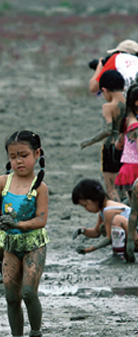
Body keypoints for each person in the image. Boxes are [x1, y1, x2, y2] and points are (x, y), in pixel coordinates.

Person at [0, 130, 49, 337]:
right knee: (11, 296)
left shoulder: (40, 187)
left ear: (37, 153)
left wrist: (18, 223)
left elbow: (41, 220)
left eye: (24, 155)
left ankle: (36, 334)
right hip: (10, 244)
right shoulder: (2, 182)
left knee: (29, 292)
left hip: (33, 245)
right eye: (13, 157)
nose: (18, 161)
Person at [81, 70, 126, 202]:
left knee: (111, 188)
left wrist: (89, 141)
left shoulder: (109, 107)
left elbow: (107, 130)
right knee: (125, 186)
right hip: (126, 147)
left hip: (110, 147)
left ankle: (118, 217)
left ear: (105, 90)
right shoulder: (130, 102)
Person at [71, 178, 137, 258]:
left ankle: (119, 256)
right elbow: (96, 232)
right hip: (133, 236)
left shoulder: (108, 210)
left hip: (134, 237)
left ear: (94, 198)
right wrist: (81, 231)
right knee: (102, 227)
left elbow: (109, 238)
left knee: (117, 221)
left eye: (85, 205)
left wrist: (89, 249)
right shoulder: (103, 211)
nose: (86, 209)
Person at [114, 84, 138, 198]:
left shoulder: (126, 120)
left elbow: (118, 145)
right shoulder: (136, 125)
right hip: (135, 168)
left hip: (127, 168)